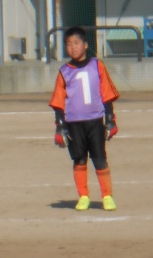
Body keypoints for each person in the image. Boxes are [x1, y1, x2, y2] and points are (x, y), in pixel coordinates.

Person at [49, 26, 121, 211]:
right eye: (69, 44)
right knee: (79, 159)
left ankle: (107, 196)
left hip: (95, 121)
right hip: (74, 123)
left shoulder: (97, 65)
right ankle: (83, 196)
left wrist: (110, 118)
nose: (73, 47)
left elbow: (106, 92)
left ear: (85, 45)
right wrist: (60, 126)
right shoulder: (64, 71)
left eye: (76, 43)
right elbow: (58, 100)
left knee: (99, 159)